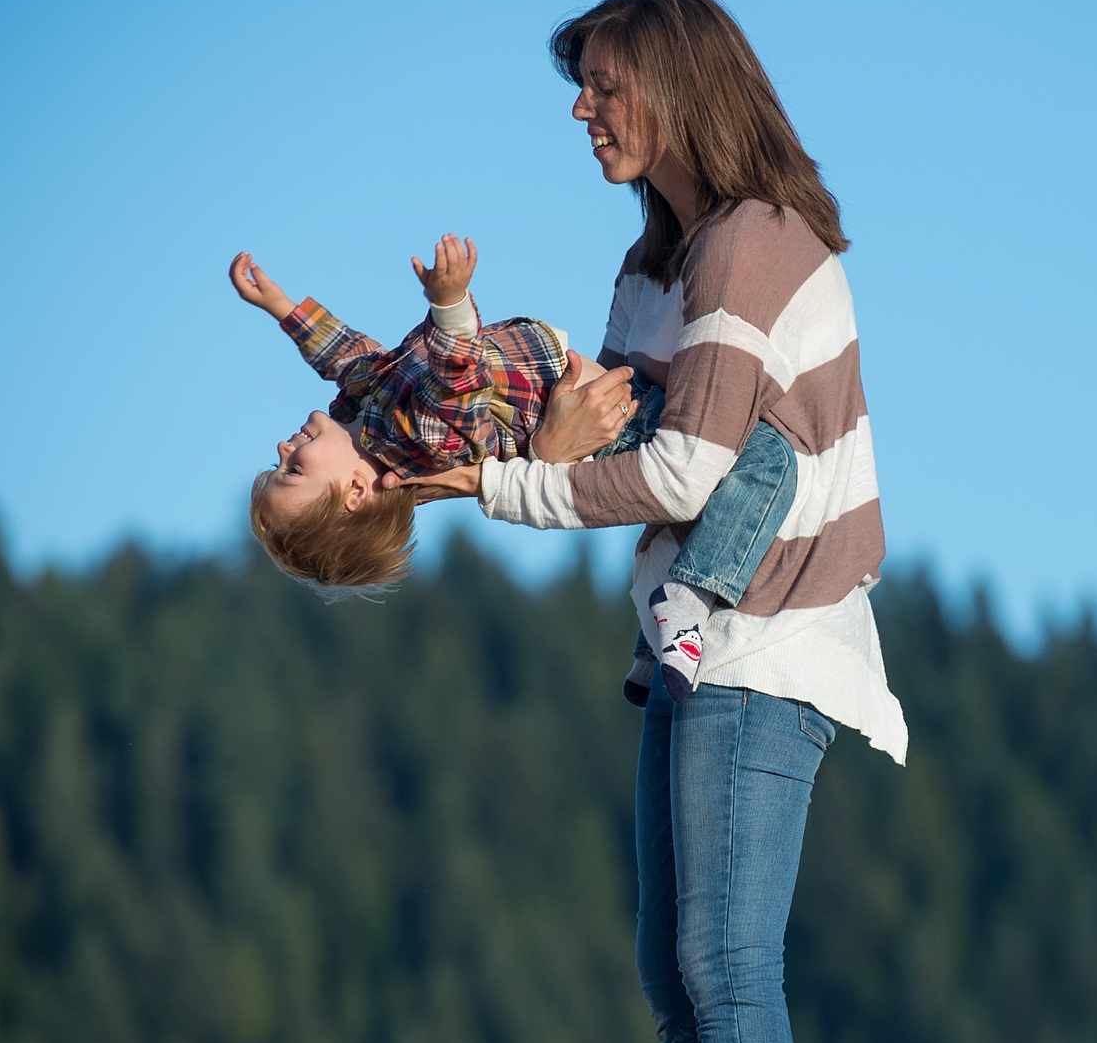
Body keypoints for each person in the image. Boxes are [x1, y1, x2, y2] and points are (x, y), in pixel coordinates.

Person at [387, 0, 908, 1043]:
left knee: (723, 960)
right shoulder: (657, 262)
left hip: (760, 643)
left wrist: (508, 485)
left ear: (672, 90)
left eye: (603, 83)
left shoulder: (749, 243)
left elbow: (679, 468)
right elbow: (591, 424)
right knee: (674, 983)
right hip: (691, 642)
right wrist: (427, 450)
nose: (580, 108)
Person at [230, 234, 797, 700]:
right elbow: (457, 378)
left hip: (588, 404)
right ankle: (690, 598)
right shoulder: (418, 435)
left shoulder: (369, 407)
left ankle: (651, 651)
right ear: (356, 492)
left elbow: (349, 355)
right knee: (767, 457)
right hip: (617, 427)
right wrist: (451, 303)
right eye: (293, 472)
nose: (284, 450)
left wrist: (282, 308)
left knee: (698, 505)